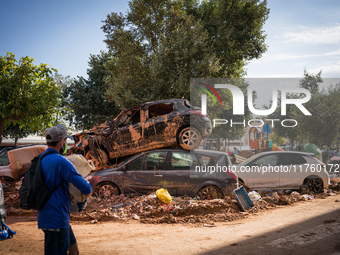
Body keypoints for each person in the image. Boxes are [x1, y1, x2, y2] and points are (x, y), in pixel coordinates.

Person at [37, 125, 92, 255]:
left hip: (44, 216)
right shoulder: (62, 162)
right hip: (57, 219)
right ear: (62, 142)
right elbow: (86, 188)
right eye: (65, 141)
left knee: (74, 250)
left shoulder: (40, 159)